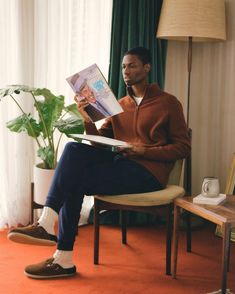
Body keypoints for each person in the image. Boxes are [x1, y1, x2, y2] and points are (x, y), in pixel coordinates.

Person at [7, 46, 191, 279]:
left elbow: (183, 147)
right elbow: (100, 143)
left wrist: (144, 150)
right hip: (121, 164)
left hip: (148, 173)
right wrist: (87, 122)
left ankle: (58, 249)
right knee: (73, 150)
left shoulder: (168, 103)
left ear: (147, 67)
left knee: (74, 179)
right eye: (124, 66)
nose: (126, 70)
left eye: (132, 65)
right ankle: (57, 246)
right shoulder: (120, 104)